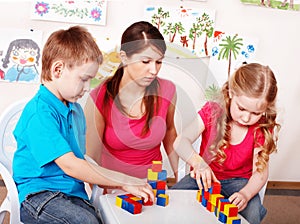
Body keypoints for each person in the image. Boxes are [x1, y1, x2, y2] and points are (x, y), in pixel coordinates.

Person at [12, 26, 154, 224]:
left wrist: (111, 181)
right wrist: (124, 180)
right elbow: (71, 165)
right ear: (58, 70)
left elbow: (82, 159)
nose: (87, 88)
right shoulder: (38, 113)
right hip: (39, 195)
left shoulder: (75, 111)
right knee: (85, 221)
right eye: (84, 79)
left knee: (104, 217)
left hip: (72, 193)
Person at [171, 63, 280, 224]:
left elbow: (260, 173)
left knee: (252, 211)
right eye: (241, 108)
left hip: (240, 183)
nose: (246, 118)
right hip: (203, 179)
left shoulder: (261, 128)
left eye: (256, 113)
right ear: (231, 93)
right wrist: (199, 164)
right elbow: (180, 142)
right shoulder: (212, 111)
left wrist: (246, 194)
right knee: (174, 202)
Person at [84, 21, 178, 181]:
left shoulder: (168, 90)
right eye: (146, 61)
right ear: (124, 57)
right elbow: (91, 158)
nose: (154, 70)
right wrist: (98, 200)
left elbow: (170, 132)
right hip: (114, 190)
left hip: (152, 187)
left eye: (159, 61)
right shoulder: (100, 96)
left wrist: (179, 178)